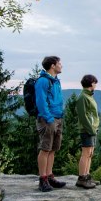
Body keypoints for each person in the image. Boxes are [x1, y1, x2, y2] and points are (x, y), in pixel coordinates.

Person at [36, 56, 66, 192]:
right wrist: (48, 119)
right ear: (53, 66)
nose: (61, 65)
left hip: (58, 117)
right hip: (48, 119)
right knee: (45, 148)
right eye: (59, 63)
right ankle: (42, 180)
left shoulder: (56, 81)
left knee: (53, 148)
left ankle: (49, 176)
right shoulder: (43, 81)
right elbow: (41, 102)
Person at [75, 74, 99, 189]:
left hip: (92, 129)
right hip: (87, 129)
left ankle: (87, 175)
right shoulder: (83, 97)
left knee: (90, 153)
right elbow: (82, 116)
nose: (96, 85)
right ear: (91, 83)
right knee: (85, 153)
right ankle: (82, 178)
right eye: (95, 83)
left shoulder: (89, 96)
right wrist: (90, 129)